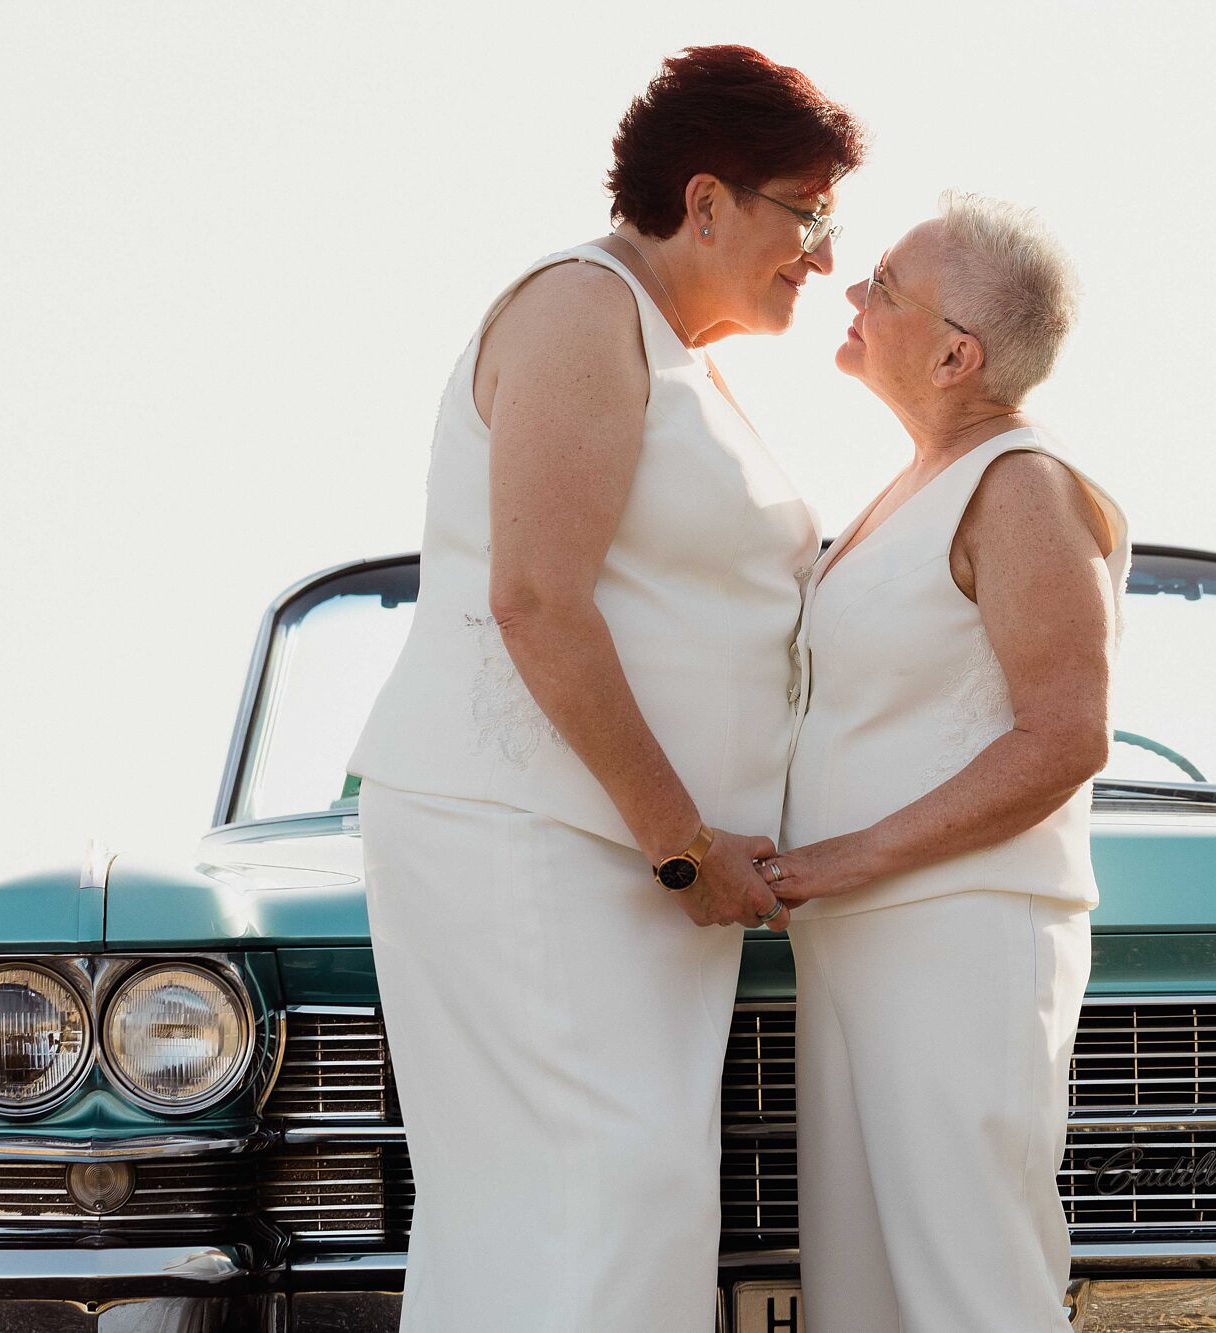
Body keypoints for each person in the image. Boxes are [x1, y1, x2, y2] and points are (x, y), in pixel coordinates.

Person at [344, 46, 863, 1328]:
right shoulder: (580, 307)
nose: (825, 255)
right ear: (704, 200)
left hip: (627, 860)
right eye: (807, 213)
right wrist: (682, 846)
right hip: (536, 841)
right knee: (596, 1200)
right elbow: (535, 599)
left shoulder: (673, 344)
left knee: (605, 1208)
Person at [763, 191, 1126, 1332]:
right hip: (863, 940)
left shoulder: (1019, 482)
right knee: (867, 1291)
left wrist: (840, 859)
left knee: (969, 1285)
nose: (849, 293)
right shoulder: (913, 483)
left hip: (958, 936)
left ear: (955, 352)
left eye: (880, 285)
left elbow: (1064, 736)